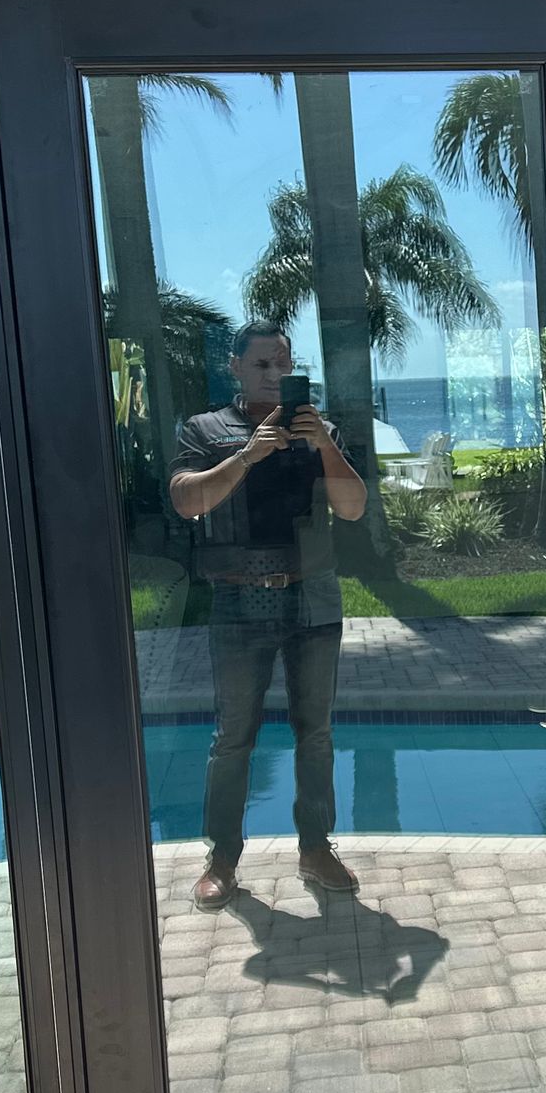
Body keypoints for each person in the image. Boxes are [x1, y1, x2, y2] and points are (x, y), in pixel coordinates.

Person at [170, 323, 368, 907]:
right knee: (234, 736)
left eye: (283, 363)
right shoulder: (206, 430)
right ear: (235, 367)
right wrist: (248, 454)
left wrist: (324, 443)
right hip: (238, 599)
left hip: (313, 596)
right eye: (262, 364)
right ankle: (222, 859)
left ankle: (316, 848)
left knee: (317, 733)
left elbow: (352, 509)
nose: (275, 374)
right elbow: (187, 500)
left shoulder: (319, 431)